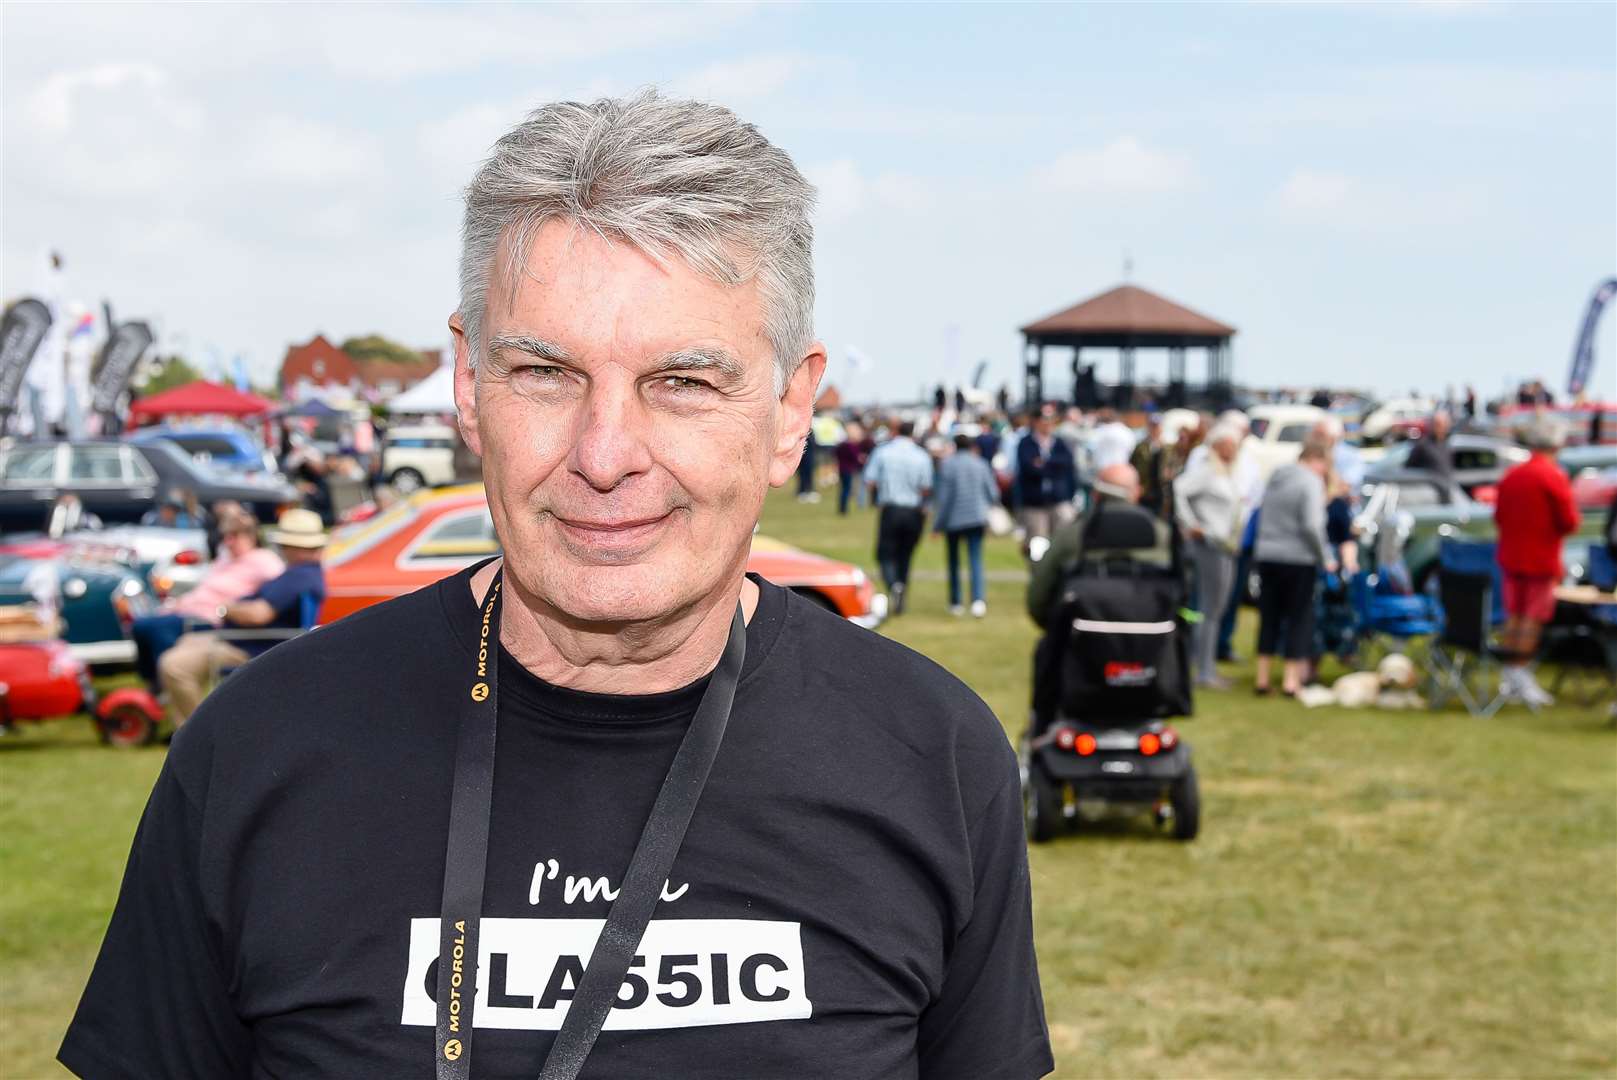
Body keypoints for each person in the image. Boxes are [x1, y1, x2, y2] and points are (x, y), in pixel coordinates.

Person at [64, 92, 1053, 1080]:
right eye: (544, 372)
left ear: (791, 409)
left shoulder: (934, 757)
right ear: (467, 385)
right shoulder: (256, 747)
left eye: (683, 382)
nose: (605, 454)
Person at [154, 509, 327, 728]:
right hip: (246, 640)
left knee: (175, 666)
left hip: (255, 648)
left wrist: (224, 609)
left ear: (292, 546)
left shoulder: (299, 576)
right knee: (185, 645)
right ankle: (194, 726)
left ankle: (200, 734)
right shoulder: (302, 574)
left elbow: (259, 614)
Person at [128, 511, 285, 687]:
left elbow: (277, 590)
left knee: (160, 632)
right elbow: (205, 588)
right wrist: (177, 604)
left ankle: (164, 686)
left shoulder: (264, 561)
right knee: (140, 624)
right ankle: (156, 682)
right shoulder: (225, 558)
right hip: (189, 611)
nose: (228, 542)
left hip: (212, 618)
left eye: (234, 536)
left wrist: (231, 609)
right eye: (225, 536)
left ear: (251, 535)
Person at [1494, 417, 1581, 706]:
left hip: (1512, 556)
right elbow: (1569, 521)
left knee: (1513, 616)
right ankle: (1519, 673)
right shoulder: (1552, 476)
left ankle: (1511, 673)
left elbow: (1499, 516)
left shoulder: (1512, 475)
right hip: (1540, 559)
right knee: (1532, 618)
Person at [1026, 462, 1171, 628]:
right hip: (1153, 641)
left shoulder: (1071, 535)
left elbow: (1038, 599)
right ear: (1137, 492)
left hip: (1081, 642)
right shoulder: (1162, 535)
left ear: (1095, 494)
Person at [1252, 439, 1337, 696]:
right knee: (1298, 616)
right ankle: (1291, 680)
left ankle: (1262, 677)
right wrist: (1326, 557)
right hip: (1298, 558)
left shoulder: (1276, 478)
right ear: (1317, 460)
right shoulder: (1310, 482)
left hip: (1267, 554)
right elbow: (1312, 524)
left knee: (1269, 615)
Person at [1173, 424, 1243, 689]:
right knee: (1209, 611)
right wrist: (1192, 524)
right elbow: (1179, 488)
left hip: (1224, 546)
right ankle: (1204, 671)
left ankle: (1205, 665)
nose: (1232, 450)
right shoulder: (1206, 472)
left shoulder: (1225, 474)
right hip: (1209, 546)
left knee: (1213, 609)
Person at [865, 419, 934, 614]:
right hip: (913, 510)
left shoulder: (883, 452)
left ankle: (894, 584)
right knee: (905, 554)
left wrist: (876, 497)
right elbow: (926, 487)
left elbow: (870, 480)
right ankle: (901, 586)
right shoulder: (921, 456)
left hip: (891, 508)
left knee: (885, 553)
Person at [932, 434, 999, 617]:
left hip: (954, 520)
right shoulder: (981, 464)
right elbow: (993, 493)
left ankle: (956, 602)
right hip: (977, 518)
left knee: (954, 561)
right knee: (975, 559)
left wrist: (937, 525)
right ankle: (978, 600)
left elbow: (944, 499)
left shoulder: (947, 465)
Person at [1015, 404, 1077, 552]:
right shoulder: (1026, 443)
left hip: (1058, 500)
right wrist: (1053, 467)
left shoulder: (1060, 443)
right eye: (1045, 418)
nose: (1049, 422)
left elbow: (1067, 464)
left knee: (1063, 544)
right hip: (1035, 503)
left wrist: (1044, 464)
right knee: (1038, 547)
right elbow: (1029, 468)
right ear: (1036, 421)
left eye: (1052, 418)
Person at [833, 419, 871, 514]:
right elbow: (856, 457)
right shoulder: (851, 446)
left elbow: (837, 455)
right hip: (848, 469)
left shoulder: (842, 444)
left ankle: (842, 508)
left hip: (841, 468)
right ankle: (843, 509)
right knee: (847, 489)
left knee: (843, 489)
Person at [1405, 409, 1454, 482]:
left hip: (1447, 487)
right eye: (1438, 424)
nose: (1441, 428)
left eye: (1444, 424)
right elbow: (1409, 468)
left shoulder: (1447, 444)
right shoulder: (1423, 445)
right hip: (1428, 489)